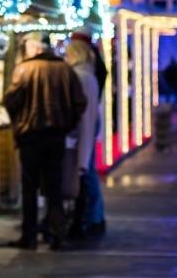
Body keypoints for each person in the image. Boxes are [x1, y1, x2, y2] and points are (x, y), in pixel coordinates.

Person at [4, 32, 87, 251]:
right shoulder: (65, 70)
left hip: (30, 136)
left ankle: (29, 235)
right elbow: (80, 102)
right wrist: (66, 124)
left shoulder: (24, 69)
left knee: (29, 187)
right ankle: (56, 234)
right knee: (54, 187)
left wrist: (20, 123)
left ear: (35, 47)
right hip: (56, 136)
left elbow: (11, 101)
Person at [69, 29, 107, 236]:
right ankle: (95, 215)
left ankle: (92, 216)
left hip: (85, 125)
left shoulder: (82, 75)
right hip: (90, 123)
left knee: (87, 170)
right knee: (89, 169)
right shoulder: (91, 70)